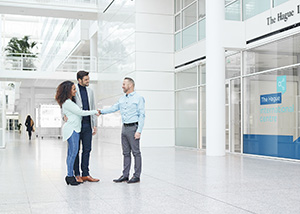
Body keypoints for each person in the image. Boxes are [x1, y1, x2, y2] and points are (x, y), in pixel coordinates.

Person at [99, 77, 145, 184]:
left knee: (136, 153)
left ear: (130, 85)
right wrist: (101, 111)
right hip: (124, 128)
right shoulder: (122, 99)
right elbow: (113, 108)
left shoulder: (139, 98)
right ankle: (125, 175)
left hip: (133, 127)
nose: (122, 86)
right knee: (125, 153)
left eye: (124, 84)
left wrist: (139, 131)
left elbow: (142, 115)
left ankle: (136, 176)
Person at [55, 80, 99, 186]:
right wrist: (94, 112)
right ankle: (70, 176)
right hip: (72, 130)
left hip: (74, 129)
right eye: (74, 89)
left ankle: (70, 176)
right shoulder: (68, 103)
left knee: (72, 153)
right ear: (68, 91)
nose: (75, 91)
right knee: (73, 154)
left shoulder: (69, 102)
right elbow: (81, 112)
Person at [69, 70, 99, 183]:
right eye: (86, 79)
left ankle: (85, 174)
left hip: (87, 125)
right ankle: (76, 174)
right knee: (76, 150)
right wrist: (64, 117)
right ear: (79, 80)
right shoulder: (73, 90)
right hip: (76, 125)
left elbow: (93, 107)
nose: (88, 81)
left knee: (87, 149)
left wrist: (94, 124)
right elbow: (65, 104)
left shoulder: (90, 91)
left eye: (88, 79)